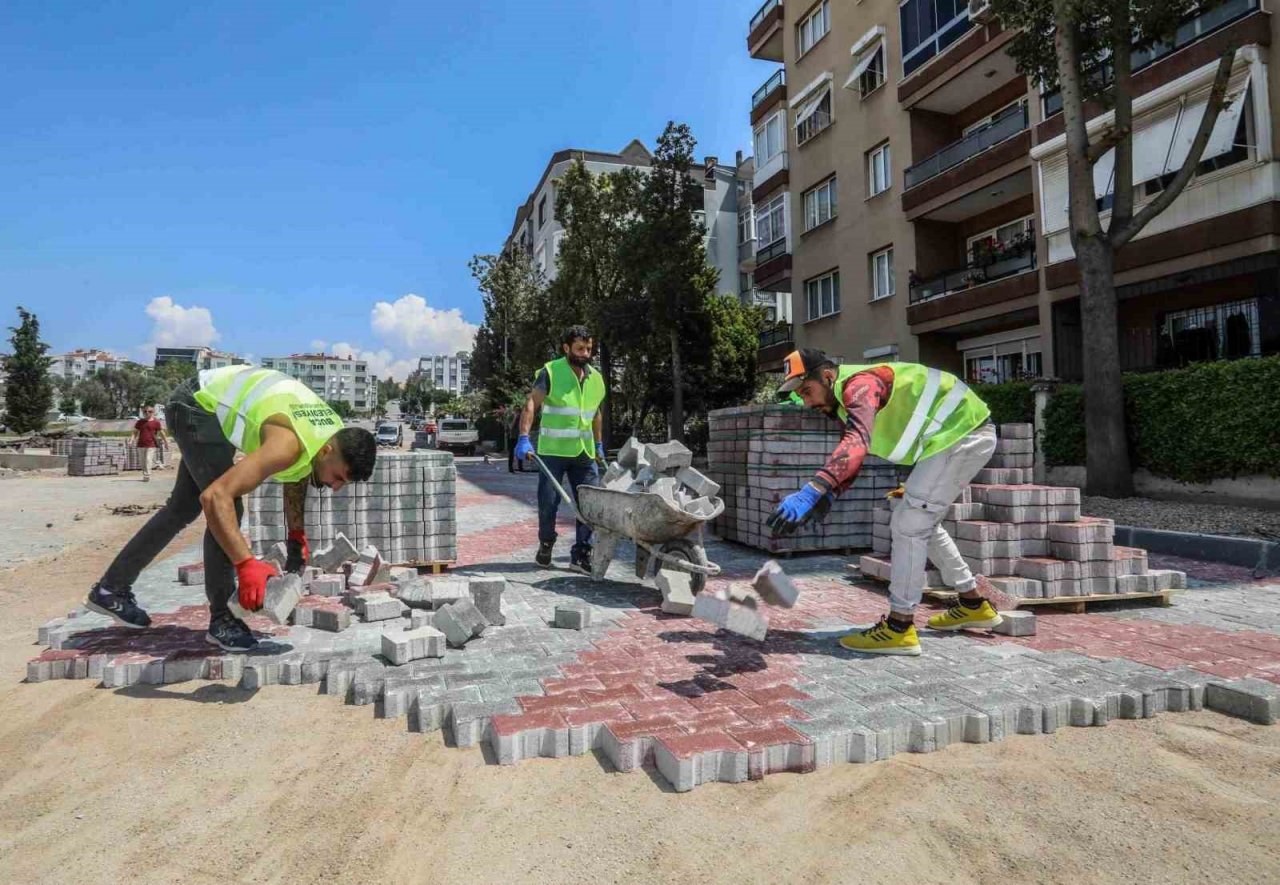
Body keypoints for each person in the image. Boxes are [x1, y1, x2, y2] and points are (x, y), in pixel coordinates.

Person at [85, 365, 378, 651]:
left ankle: (111, 588)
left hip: (207, 404)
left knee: (183, 507)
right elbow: (215, 498)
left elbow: (297, 475)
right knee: (227, 507)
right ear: (327, 451)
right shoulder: (287, 444)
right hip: (198, 405)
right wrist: (245, 564)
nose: (336, 487)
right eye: (338, 477)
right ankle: (223, 620)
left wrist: (296, 533)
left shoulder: (330, 435)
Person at [767, 349, 1001, 656]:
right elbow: (856, 453)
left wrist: (813, 490)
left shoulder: (859, 384)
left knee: (909, 524)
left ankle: (900, 628)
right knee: (922, 523)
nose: (807, 402)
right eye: (800, 396)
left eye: (807, 391)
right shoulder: (842, 400)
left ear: (827, 376)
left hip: (961, 435)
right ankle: (973, 604)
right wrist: (831, 493)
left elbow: (855, 444)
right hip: (953, 439)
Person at [513, 325, 605, 573]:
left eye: (588, 348)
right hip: (552, 452)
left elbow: (595, 412)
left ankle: (581, 554)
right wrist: (523, 437)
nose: (585, 353)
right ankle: (546, 544)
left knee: (589, 504)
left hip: (584, 453)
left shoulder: (596, 378)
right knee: (548, 503)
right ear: (566, 348)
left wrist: (598, 444)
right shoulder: (551, 372)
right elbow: (532, 401)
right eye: (580, 348)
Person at [131, 405, 170, 482]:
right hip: (141, 444)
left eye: (149, 411)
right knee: (142, 461)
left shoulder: (156, 422)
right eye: (145, 411)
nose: (147, 413)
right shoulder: (140, 422)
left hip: (151, 444)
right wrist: (132, 440)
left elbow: (162, 433)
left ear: (153, 412)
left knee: (148, 460)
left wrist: (166, 442)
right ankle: (145, 473)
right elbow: (135, 432)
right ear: (143, 413)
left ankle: (147, 475)